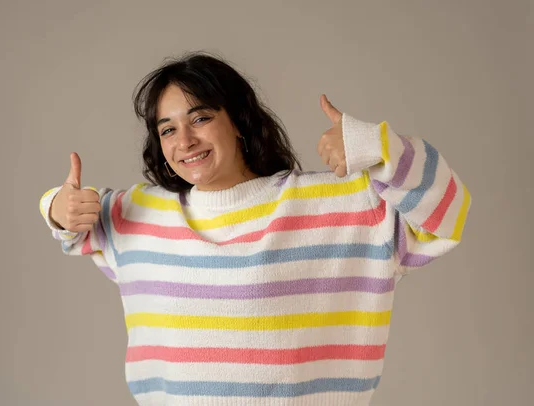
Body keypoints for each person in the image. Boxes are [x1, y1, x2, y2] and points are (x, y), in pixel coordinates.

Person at [39, 52, 472, 406]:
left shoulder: (341, 205)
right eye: (167, 129)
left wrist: (378, 148)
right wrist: (57, 208)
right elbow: (72, 228)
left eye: (201, 118)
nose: (183, 140)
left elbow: (445, 213)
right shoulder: (138, 213)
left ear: (239, 121)